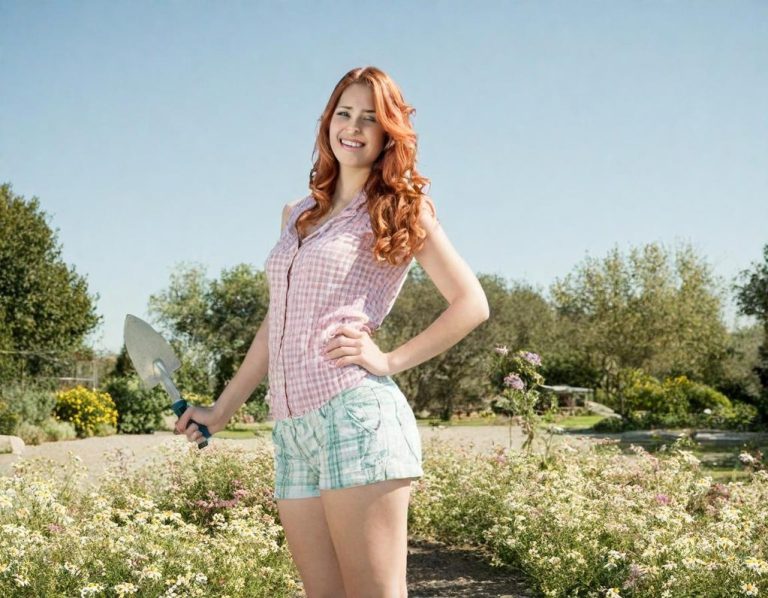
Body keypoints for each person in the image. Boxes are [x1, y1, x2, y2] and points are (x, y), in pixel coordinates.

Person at [174, 65, 489, 598]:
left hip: (355, 417)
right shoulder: (296, 214)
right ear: (327, 122)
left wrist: (388, 360)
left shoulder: (400, 209)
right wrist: (222, 410)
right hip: (292, 429)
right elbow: (278, 320)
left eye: (370, 118)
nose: (354, 127)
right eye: (344, 113)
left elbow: (471, 303)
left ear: (388, 133)